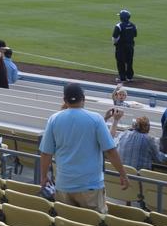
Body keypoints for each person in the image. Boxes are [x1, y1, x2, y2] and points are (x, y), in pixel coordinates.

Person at [39, 83, 129, 213]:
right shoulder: (96, 119)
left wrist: (43, 177)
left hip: (64, 184)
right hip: (90, 186)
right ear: (83, 98)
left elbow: (46, 153)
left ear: (65, 100)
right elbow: (109, 150)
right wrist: (123, 174)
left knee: (68, 225)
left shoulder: (54, 119)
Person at [112, 9, 138, 83]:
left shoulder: (119, 26)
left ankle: (122, 78)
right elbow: (135, 35)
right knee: (129, 61)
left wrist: (115, 43)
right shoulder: (133, 25)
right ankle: (129, 77)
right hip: (130, 46)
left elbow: (114, 37)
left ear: (122, 18)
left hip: (121, 47)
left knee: (120, 62)